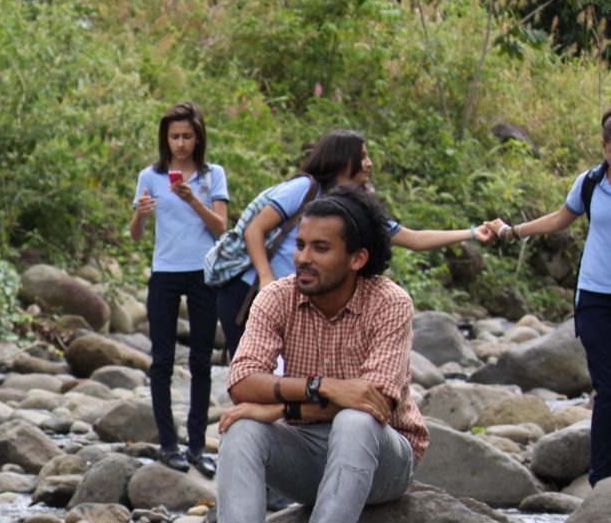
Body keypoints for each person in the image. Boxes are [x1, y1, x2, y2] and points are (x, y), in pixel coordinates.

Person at [198, 185, 429, 523]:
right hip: (306, 451)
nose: (303, 257)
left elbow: (375, 402)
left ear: (357, 258)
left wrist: (280, 404)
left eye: (320, 248)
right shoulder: (277, 297)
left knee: (355, 421)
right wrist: (318, 389)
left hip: (384, 459)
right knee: (243, 426)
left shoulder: (389, 302)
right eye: (301, 245)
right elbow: (242, 380)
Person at [220, 129, 497, 359]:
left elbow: (413, 239)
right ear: (343, 160)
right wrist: (267, 278)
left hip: (299, 300)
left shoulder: (357, 207)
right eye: (363, 156)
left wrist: (472, 233)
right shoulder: (305, 188)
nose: (369, 163)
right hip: (250, 293)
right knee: (254, 372)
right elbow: (255, 230)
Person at [488, 107, 611, 489]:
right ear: (606, 146)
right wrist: (512, 232)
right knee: (608, 387)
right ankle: (602, 477)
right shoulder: (590, 183)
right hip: (595, 297)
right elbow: (560, 219)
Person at [129, 102, 226, 476]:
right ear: (165, 138)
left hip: (203, 272)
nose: (181, 143)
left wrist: (192, 199)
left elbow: (221, 227)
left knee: (201, 361)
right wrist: (141, 213)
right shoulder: (151, 176)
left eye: (187, 136)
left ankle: (198, 446)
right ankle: (169, 445)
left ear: (198, 137)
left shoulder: (212, 174)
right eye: (174, 136)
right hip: (165, 272)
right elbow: (136, 235)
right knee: (162, 361)